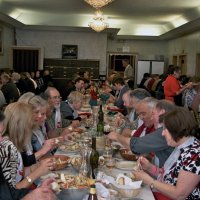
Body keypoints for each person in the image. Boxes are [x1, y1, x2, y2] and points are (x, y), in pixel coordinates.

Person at [133, 107, 200, 199]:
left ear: (176, 130)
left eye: (165, 129)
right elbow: (169, 178)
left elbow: (179, 194)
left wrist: (149, 181)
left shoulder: (195, 154)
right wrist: (150, 168)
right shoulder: (181, 146)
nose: (163, 134)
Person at [1, 102, 53, 189]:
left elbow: (21, 171)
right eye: (31, 123)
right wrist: (38, 171)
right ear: (22, 126)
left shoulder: (15, 142)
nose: (32, 126)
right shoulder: (6, 149)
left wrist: (40, 165)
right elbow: (13, 190)